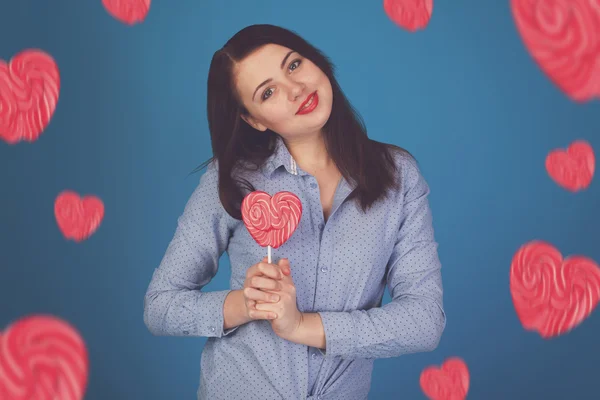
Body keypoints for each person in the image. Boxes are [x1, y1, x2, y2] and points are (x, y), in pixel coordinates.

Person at [143, 24, 446, 400]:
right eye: (268, 92)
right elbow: (160, 306)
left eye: (294, 65)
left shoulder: (399, 176)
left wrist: (301, 325)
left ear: (316, 60)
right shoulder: (233, 180)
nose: (295, 89)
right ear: (254, 119)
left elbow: (425, 321)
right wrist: (247, 303)